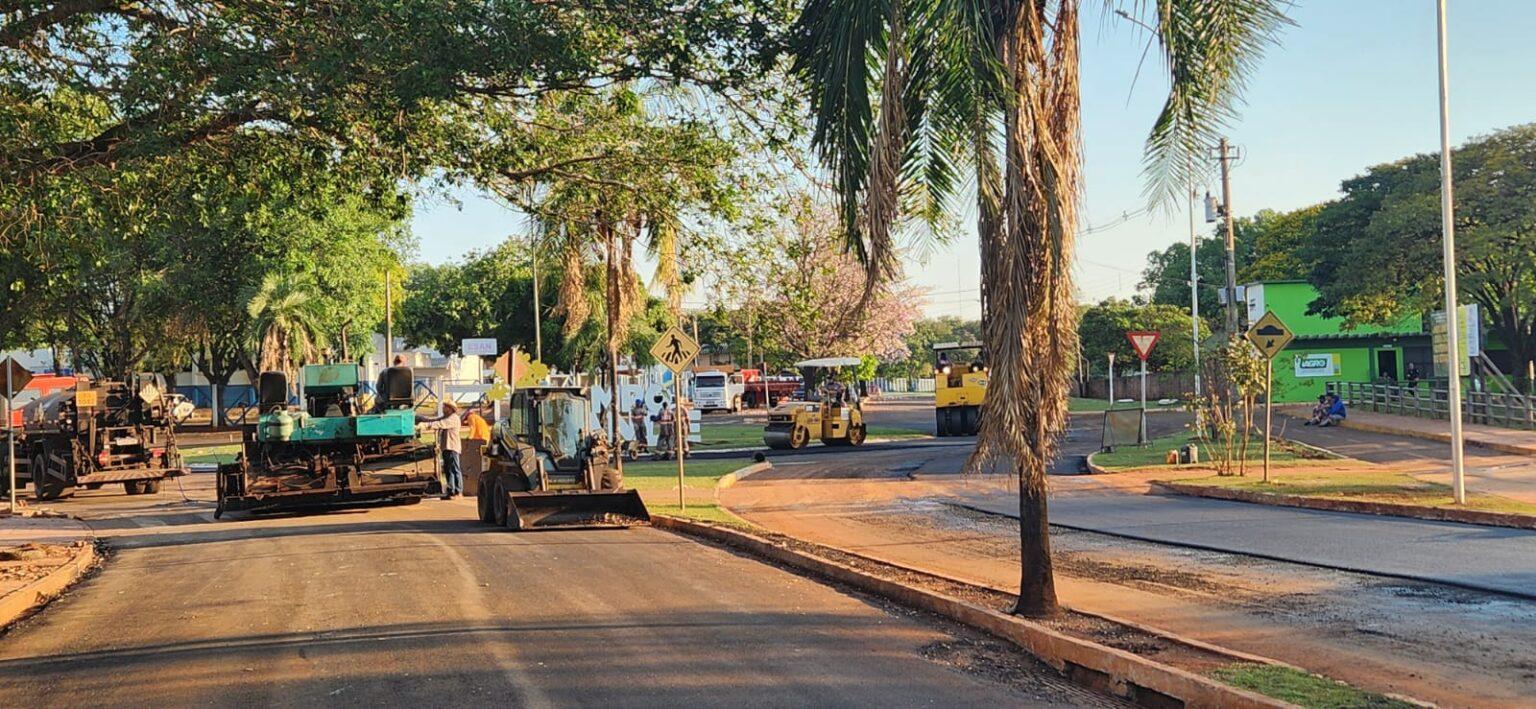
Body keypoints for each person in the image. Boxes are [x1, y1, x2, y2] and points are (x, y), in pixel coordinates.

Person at [417, 401, 464, 499]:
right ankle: (451, 491)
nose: (443, 408)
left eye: (445, 407)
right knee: (448, 470)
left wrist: (425, 426)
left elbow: (440, 424)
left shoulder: (453, 418)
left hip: (452, 447)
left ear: (450, 408)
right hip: (446, 447)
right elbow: (435, 420)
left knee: (455, 469)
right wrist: (421, 419)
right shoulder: (446, 417)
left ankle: (459, 491)